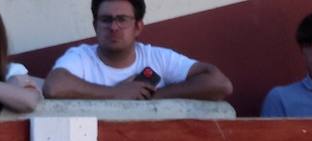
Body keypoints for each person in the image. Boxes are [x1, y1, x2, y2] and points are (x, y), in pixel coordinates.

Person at [42, 0, 231, 102]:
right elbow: (54, 86)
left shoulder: (157, 58)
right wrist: (116, 93)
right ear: (95, 25)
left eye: (122, 19)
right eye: (106, 19)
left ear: (138, 27)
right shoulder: (81, 56)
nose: (113, 27)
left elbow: (220, 84)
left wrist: (153, 96)